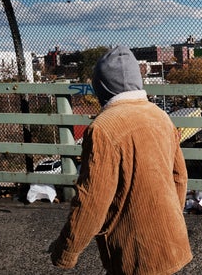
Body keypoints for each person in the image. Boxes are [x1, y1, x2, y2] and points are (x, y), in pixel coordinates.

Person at [51, 46, 193, 274]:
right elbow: (179, 177)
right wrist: (170, 219)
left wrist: (67, 251)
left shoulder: (102, 128)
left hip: (134, 251)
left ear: (101, 85)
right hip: (172, 241)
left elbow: (92, 201)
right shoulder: (160, 116)